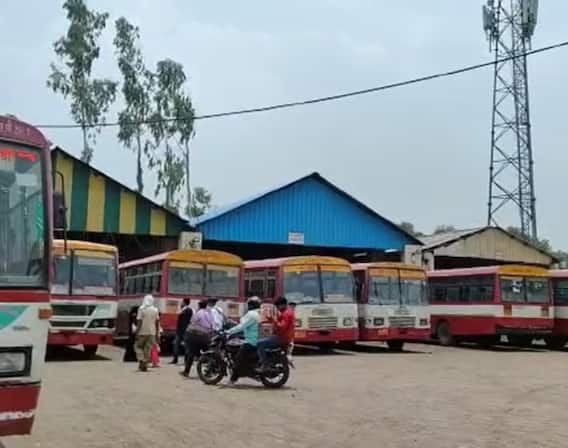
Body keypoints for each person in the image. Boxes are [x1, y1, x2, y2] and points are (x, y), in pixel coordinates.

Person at [226, 297, 261, 384]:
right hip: (257, 339)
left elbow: (242, 326)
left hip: (251, 341)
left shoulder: (251, 314)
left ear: (251, 305)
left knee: (238, 359)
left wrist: (229, 331)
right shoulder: (259, 313)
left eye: (248, 305)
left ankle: (233, 379)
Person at [257, 296, 295, 370]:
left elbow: (282, 326)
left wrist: (274, 320)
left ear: (283, 305)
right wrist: (271, 320)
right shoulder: (287, 312)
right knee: (265, 338)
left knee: (259, 343)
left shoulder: (286, 314)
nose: (277, 308)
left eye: (278, 306)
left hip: (281, 338)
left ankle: (264, 364)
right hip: (284, 337)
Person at [181, 299, 214, 377]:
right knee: (208, 354)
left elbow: (192, 322)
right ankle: (209, 372)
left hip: (196, 336)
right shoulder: (209, 314)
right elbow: (212, 324)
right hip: (207, 336)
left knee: (191, 353)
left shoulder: (198, 313)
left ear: (199, 306)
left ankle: (186, 372)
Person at [135, 295, 160, 372]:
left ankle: (141, 360)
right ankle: (144, 364)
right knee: (147, 349)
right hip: (152, 333)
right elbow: (157, 323)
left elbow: (139, 322)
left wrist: (137, 332)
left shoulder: (141, 309)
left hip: (142, 332)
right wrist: (157, 333)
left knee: (138, 347)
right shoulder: (155, 310)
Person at [170, 298, 193, 365]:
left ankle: (186, 360)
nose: (181, 303)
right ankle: (175, 359)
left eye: (182, 302)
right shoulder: (183, 310)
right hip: (180, 331)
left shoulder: (188, 310)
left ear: (184, 303)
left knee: (185, 346)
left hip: (184, 331)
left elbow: (186, 322)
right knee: (176, 344)